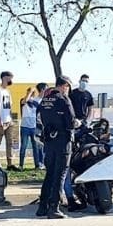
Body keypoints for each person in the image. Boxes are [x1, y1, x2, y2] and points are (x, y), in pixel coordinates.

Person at [37, 76, 75, 218]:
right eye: (68, 87)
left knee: (49, 174)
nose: (68, 90)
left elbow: (39, 119)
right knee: (60, 174)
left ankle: (42, 207)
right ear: (64, 85)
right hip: (62, 142)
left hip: (48, 142)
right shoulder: (63, 100)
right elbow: (71, 121)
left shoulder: (45, 100)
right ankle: (54, 208)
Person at [0, 70, 19, 170]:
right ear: (4, 78)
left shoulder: (7, 91)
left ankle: (10, 163)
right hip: (0, 121)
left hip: (8, 120)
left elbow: (10, 106)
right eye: (9, 78)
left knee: (9, 142)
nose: (11, 80)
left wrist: (10, 119)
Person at [19, 83, 44, 169]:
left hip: (33, 127)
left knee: (35, 147)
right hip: (25, 127)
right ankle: (21, 165)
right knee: (23, 146)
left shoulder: (36, 103)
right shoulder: (23, 100)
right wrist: (29, 92)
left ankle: (37, 165)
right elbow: (25, 101)